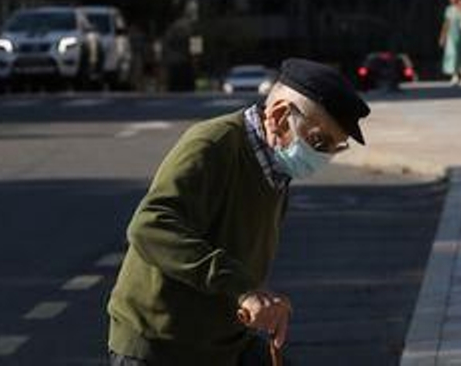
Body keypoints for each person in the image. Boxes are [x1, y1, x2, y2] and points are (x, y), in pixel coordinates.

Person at [107, 58, 371, 365]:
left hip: (223, 343)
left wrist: (263, 300)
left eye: (333, 148)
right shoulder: (214, 145)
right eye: (318, 141)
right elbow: (150, 226)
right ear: (279, 116)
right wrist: (243, 288)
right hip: (160, 345)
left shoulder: (276, 169)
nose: (322, 156)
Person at [439, 0, 461, 85]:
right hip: (451, 35)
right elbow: (446, 23)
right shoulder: (449, 9)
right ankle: (455, 75)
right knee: (452, 55)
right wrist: (443, 36)